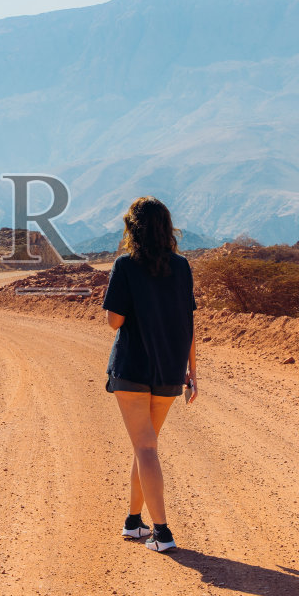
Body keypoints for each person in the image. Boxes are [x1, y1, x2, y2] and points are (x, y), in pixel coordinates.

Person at [102, 196, 198, 553]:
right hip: (169, 369)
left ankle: (162, 532)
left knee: (144, 447)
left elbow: (114, 321)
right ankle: (133, 522)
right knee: (147, 447)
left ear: (133, 228)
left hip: (132, 367)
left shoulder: (125, 265)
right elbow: (189, 323)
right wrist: (192, 372)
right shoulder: (182, 266)